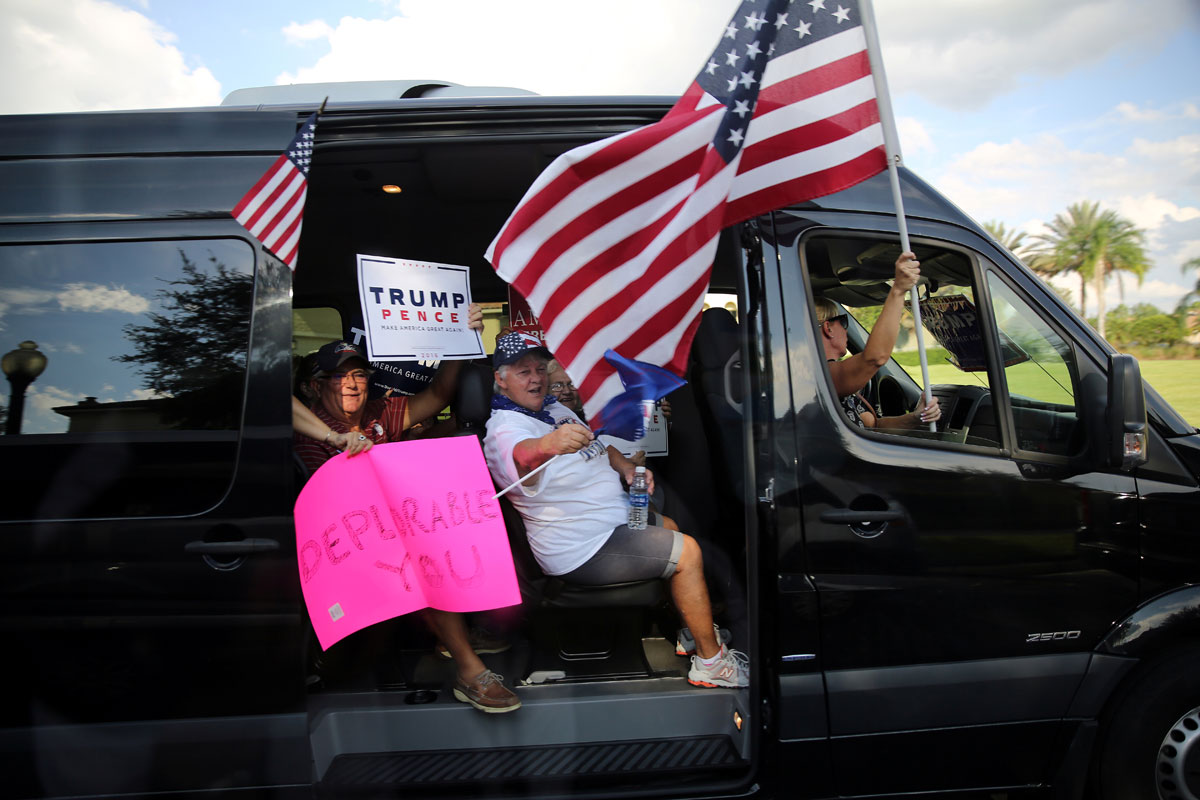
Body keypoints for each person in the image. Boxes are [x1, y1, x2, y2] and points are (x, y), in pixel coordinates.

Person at [482, 332, 748, 689]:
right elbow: (522, 454)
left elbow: (598, 446)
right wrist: (548, 444)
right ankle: (712, 663)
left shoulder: (553, 409)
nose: (536, 378)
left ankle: (688, 630)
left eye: (539, 369)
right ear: (500, 379)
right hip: (582, 545)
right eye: (522, 372)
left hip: (611, 522)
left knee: (670, 525)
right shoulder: (504, 429)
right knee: (688, 552)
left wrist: (625, 468)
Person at [291, 307, 521, 714]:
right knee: (415, 563)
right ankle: (470, 670)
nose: (352, 384)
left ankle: (479, 628)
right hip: (347, 549)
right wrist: (337, 440)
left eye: (359, 374)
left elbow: (437, 397)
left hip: (397, 529)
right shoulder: (312, 430)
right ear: (314, 387)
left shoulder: (381, 413)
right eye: (340, 376)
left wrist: (458, 339)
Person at [815, 251, 941, 430]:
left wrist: (916, 418)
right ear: (828, 328)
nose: (846, 328)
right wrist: (898, 290)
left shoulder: (835, 378)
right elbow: (875, 357)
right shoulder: (820, 374)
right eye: (843, 321)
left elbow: (874, 426)